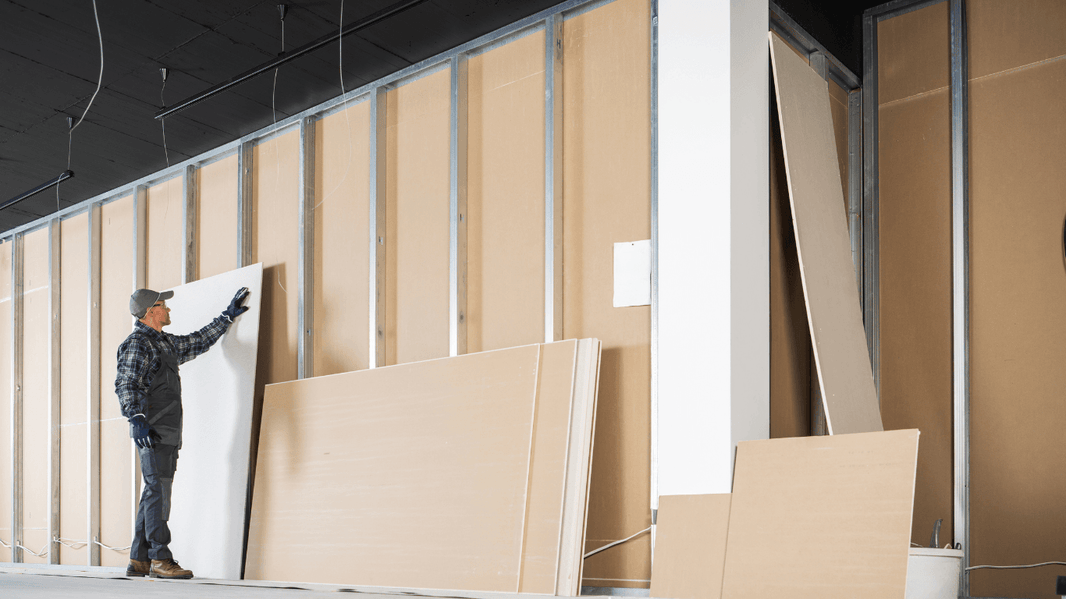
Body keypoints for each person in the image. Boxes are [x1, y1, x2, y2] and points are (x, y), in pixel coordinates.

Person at [115, 286, 250, 579]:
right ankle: (161, 558)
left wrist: (226, 318)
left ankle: (139, 560)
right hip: (152, 430)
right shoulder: (138, 343)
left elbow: (196, 342)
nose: (169, 310)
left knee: (154, 490)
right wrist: (136, 416)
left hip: (167, 430)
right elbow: (126, 383)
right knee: (159, 491)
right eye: (163, 306)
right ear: (151, 312)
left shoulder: (162, 343)